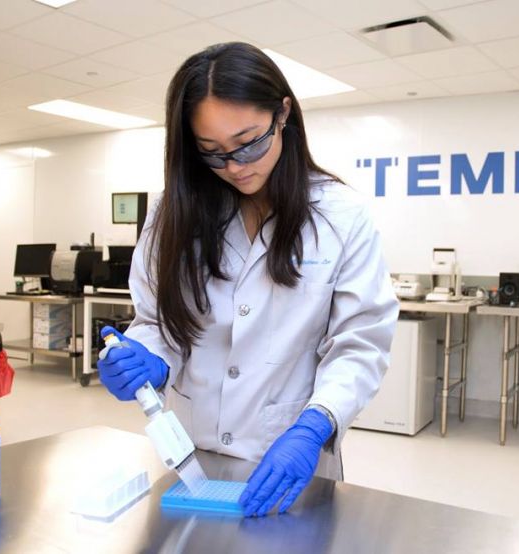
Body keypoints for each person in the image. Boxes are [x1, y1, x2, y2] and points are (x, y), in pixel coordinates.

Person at [97, 42, 399, 517]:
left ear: (283, 115)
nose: (236, 167)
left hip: (291, 460)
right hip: (190, 455)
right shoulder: (171, 213)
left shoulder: (341, 214)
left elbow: (359, 345)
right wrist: (148, 358)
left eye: (249, 141)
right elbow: (156, 319)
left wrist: (314, 426)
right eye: (213, 153)